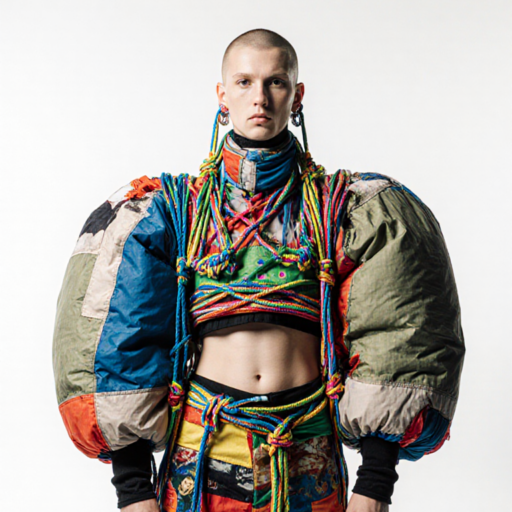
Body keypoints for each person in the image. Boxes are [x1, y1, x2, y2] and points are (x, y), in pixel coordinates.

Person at [52, 29, 465, 512]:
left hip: (308, 446)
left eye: (276, 82)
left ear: (297, 94)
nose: (260, 98)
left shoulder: (347, 208)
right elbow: (122, 336)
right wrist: (133, 489)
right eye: (244, 82)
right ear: (222, 94)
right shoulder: (172, 210)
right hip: (203, 450)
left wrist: (375, 483)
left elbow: (400, 333)